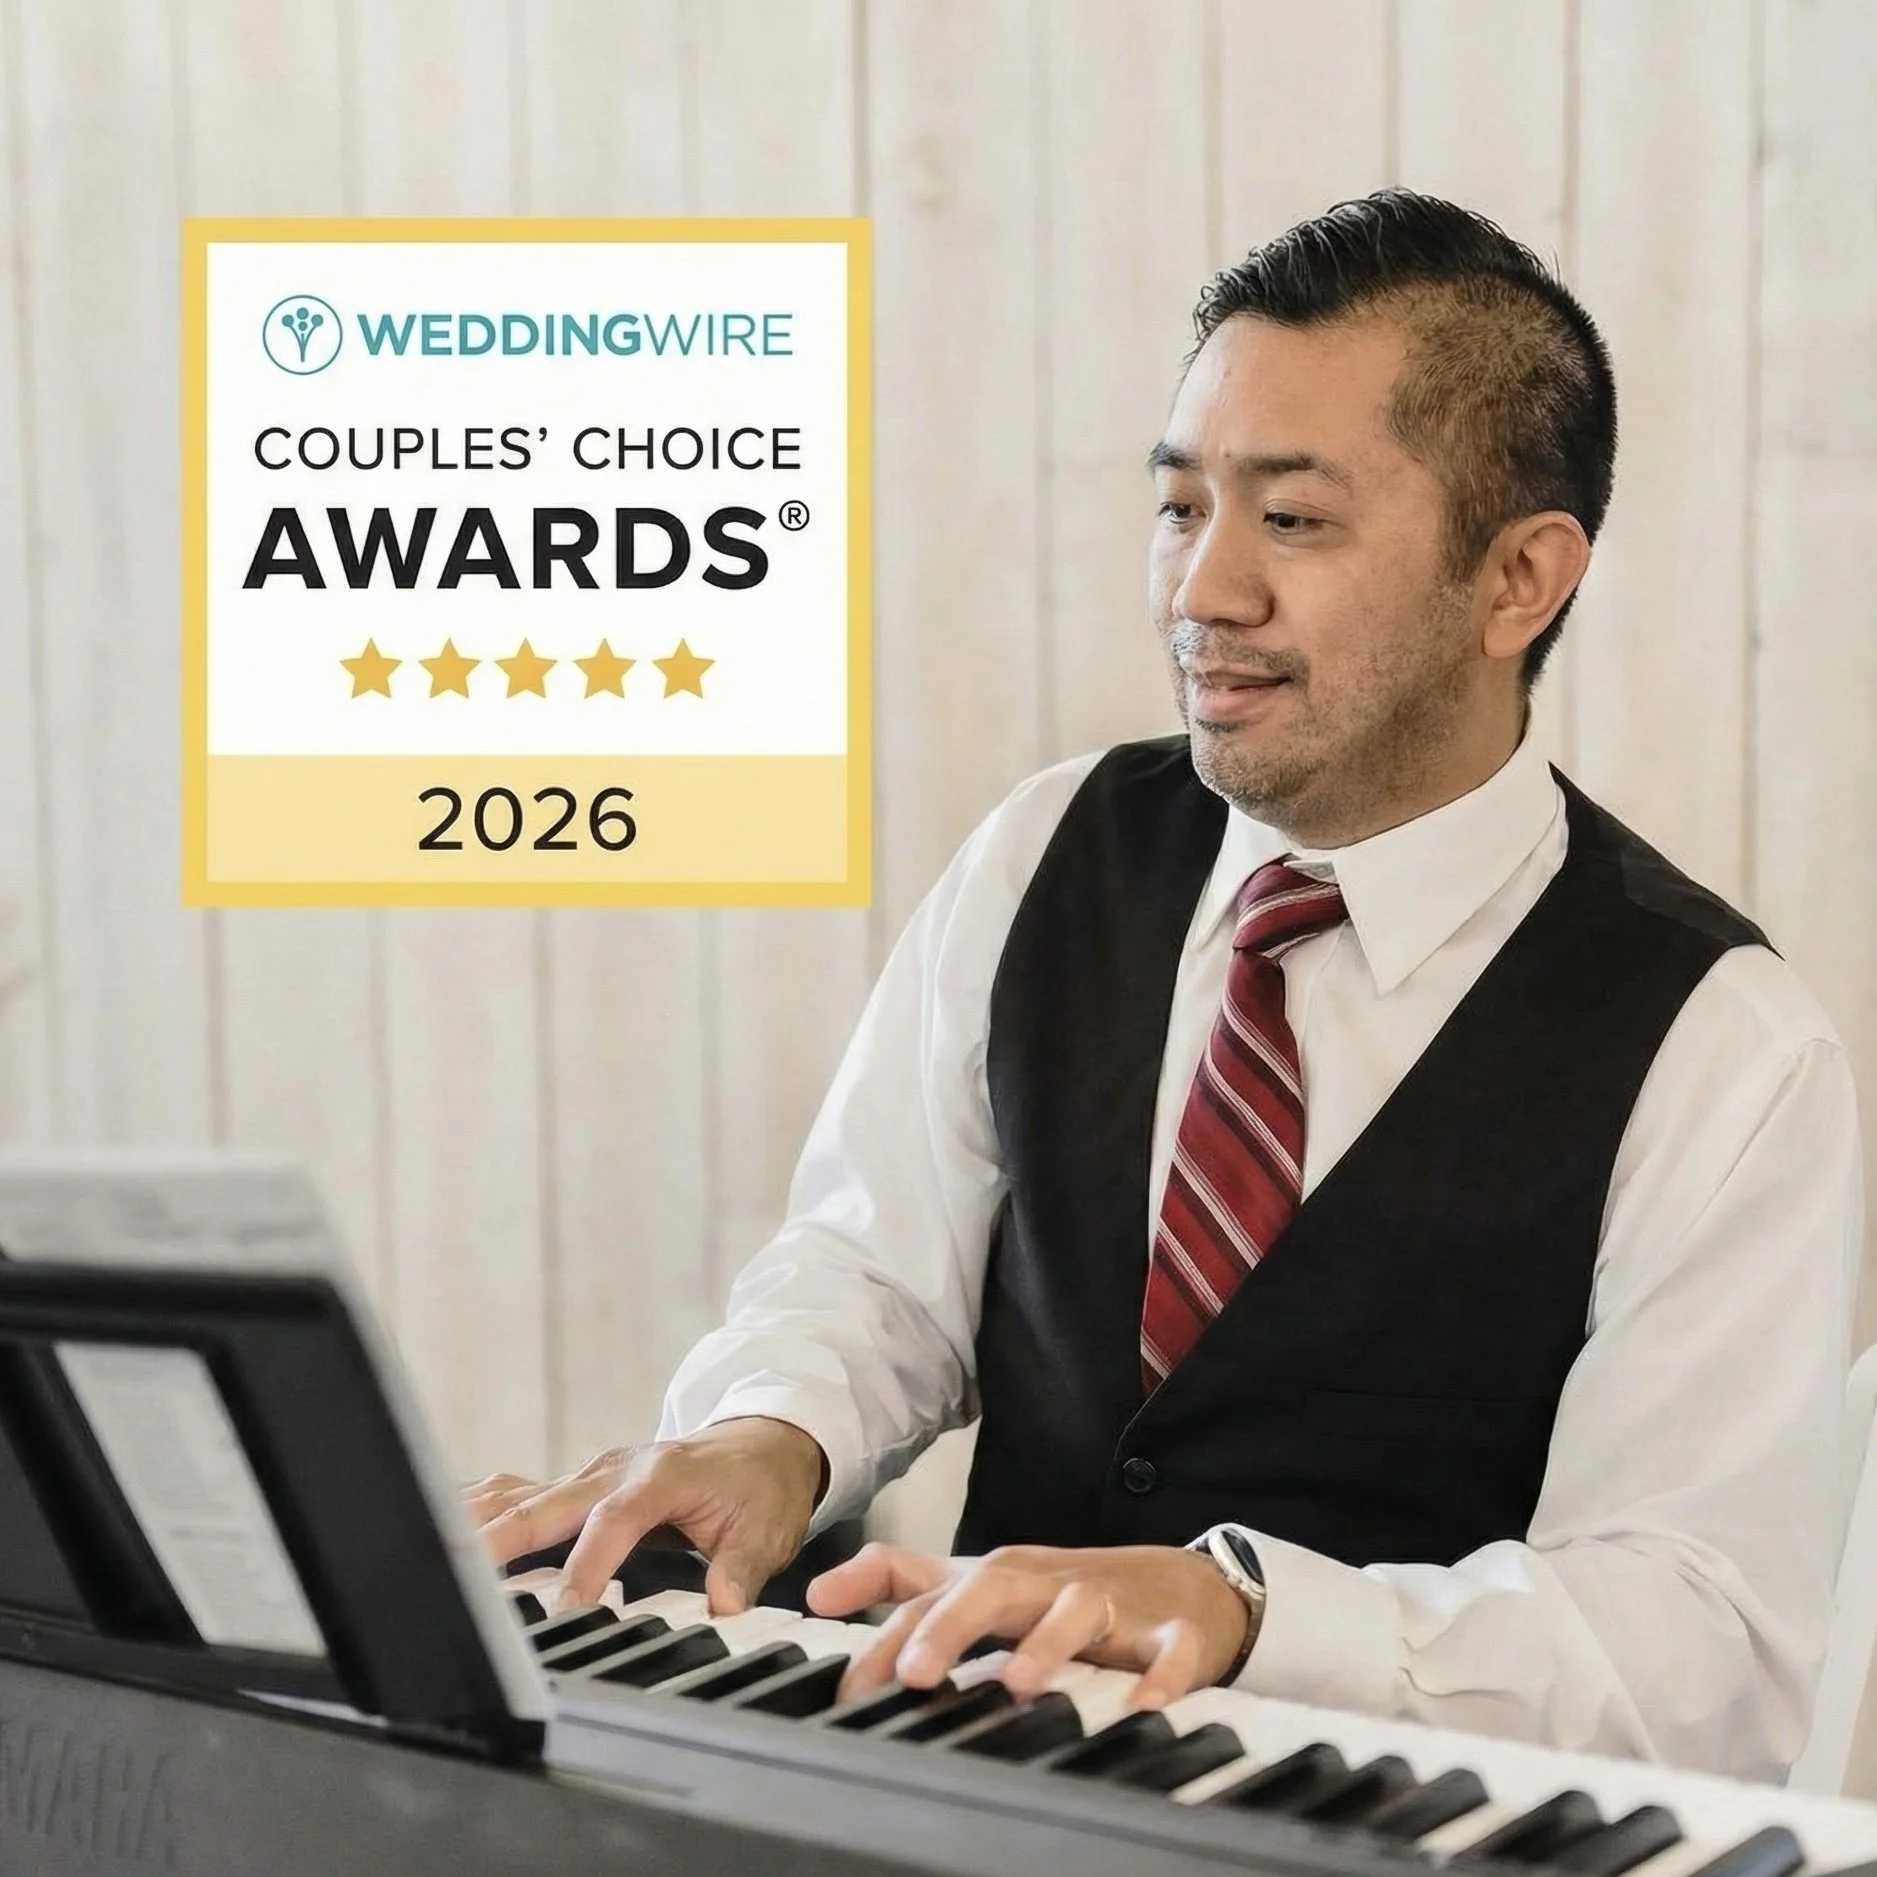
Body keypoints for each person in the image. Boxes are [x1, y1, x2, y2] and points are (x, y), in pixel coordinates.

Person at [470, 189, 1861, 1779]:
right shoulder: (1043, 850)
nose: (1205, 592)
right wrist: (772, 1432)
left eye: (1293, 520)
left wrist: (1248, 1614)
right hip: (970, 1791)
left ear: (1520, 579)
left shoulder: (1726, 1051)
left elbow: (1697, 1649)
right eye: (1181, 505)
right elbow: (870, 1274)